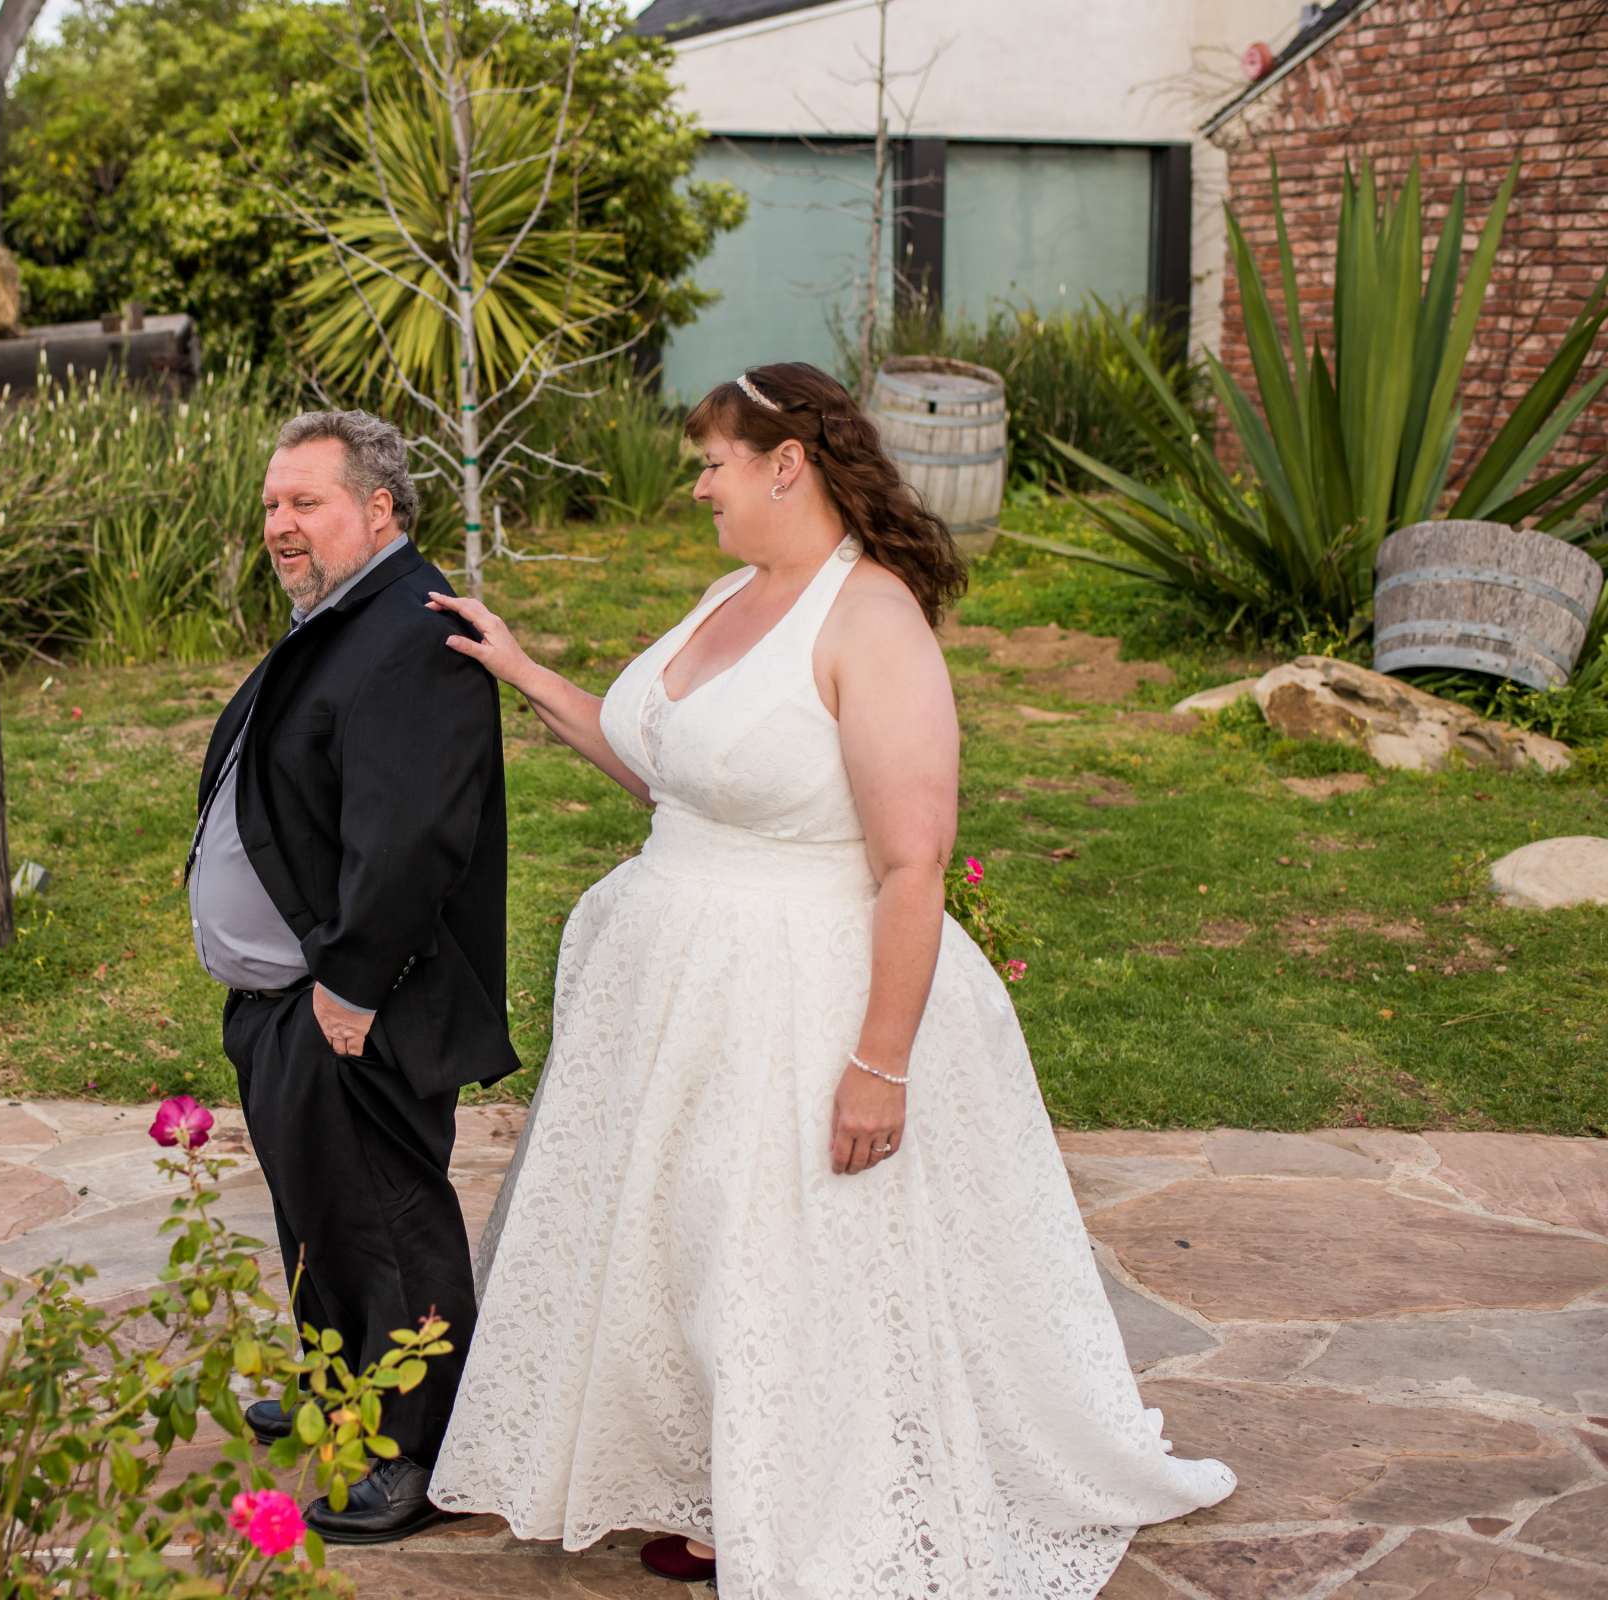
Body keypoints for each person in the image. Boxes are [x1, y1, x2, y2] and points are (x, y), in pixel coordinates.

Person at [422, 362, 1234, 1598]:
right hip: (674, 984)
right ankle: (715, 1476)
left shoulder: (872, 620)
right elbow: (669, 772)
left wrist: (878, 1062)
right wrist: (525, 672)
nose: (697, 485)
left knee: (777, 1262)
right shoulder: (729, 594)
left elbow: (913, 860)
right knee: (683, 1249)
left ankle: (799, 1504)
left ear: (784, 464)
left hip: (800, 990)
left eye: (712, 462)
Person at [188, 408, 519, 1544]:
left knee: (382, 1218)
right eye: (273, 503)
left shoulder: (410, 634)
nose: (280, 523)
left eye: (307, 502)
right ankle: (345, 1391)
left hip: (359, 997)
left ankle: (418, 1446)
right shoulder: (344, 616)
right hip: (297, 996)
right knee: (319, 1208)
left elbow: (413, 835)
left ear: (378, 509)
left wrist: (351, 981)